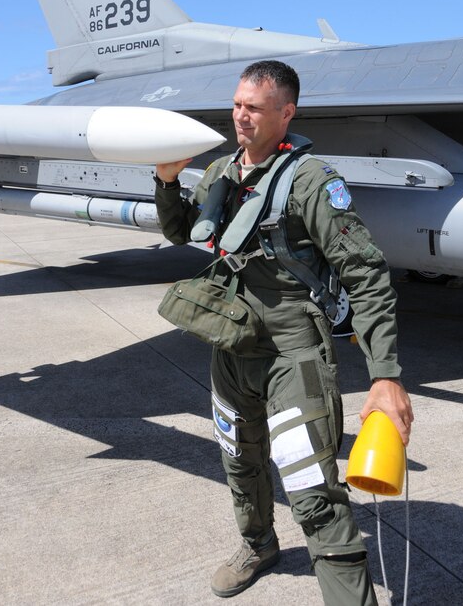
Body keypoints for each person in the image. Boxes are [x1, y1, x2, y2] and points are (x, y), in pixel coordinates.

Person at [154, 60, 413, 604]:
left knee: (311, 489)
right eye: (237, 103)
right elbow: (182, 231)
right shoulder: (222, 170)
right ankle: (258, 545)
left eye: (253, 107)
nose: (239, 115)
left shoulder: (313, 182)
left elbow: (365, 275)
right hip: (232, 342)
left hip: (294, 349)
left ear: (286, 112)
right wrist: (166, 181)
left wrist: (385, 375)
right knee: (239, 459)